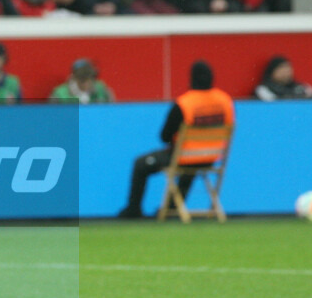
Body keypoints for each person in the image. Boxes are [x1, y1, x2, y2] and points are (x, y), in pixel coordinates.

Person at [118, 61, 234, 219]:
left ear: (191, 79)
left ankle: (133, 210)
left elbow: (164, 136)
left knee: (140, 164)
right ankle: (172, 209)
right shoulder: (225, 101)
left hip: (184, 156)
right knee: (191, 164)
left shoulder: (185, 103)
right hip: (211, 158)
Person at [49, 58, 116, 103]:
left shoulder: (102, 90)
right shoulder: (60, 94)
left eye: (90, 78)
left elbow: (113, 112)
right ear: (74, 78)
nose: (86, 83)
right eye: (82, 79)